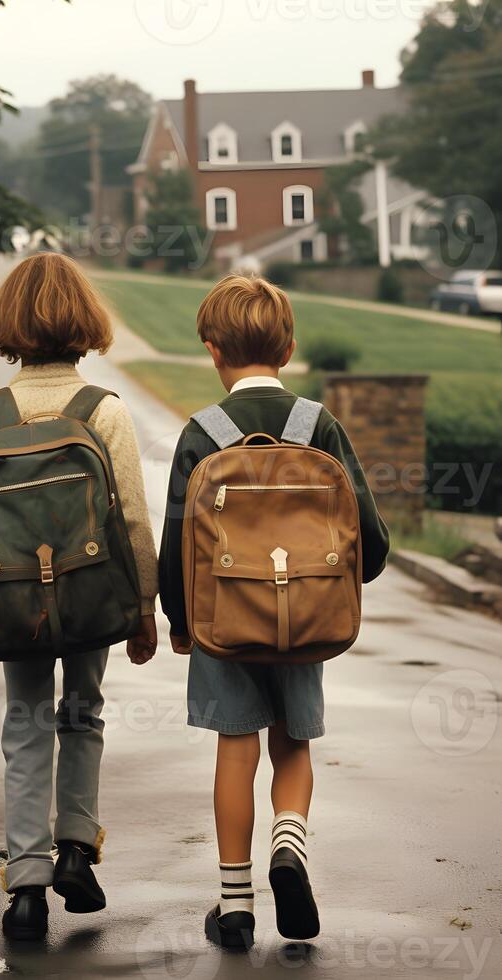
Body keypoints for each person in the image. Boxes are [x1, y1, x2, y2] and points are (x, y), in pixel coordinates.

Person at [159, 275, 389, 948]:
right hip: (306, 619)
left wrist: (181, 622)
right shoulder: (318, 426)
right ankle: (290, 848)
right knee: (292, 745)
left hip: (224, 623)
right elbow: (367, 536)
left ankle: (235, 907)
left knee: (237, 750)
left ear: (211, 351)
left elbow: (178, 546)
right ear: (287, 348)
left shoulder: (201, 434)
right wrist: (350, 580)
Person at [0, 253, 159, 940]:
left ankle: (27, 884)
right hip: (91, 596)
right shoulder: (105, 410)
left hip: (10, 601)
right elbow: (130, 522)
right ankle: (76, 852)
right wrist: (145, 609)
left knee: (24, 727)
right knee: (83, 713)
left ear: (9, 325)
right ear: (84, 322)